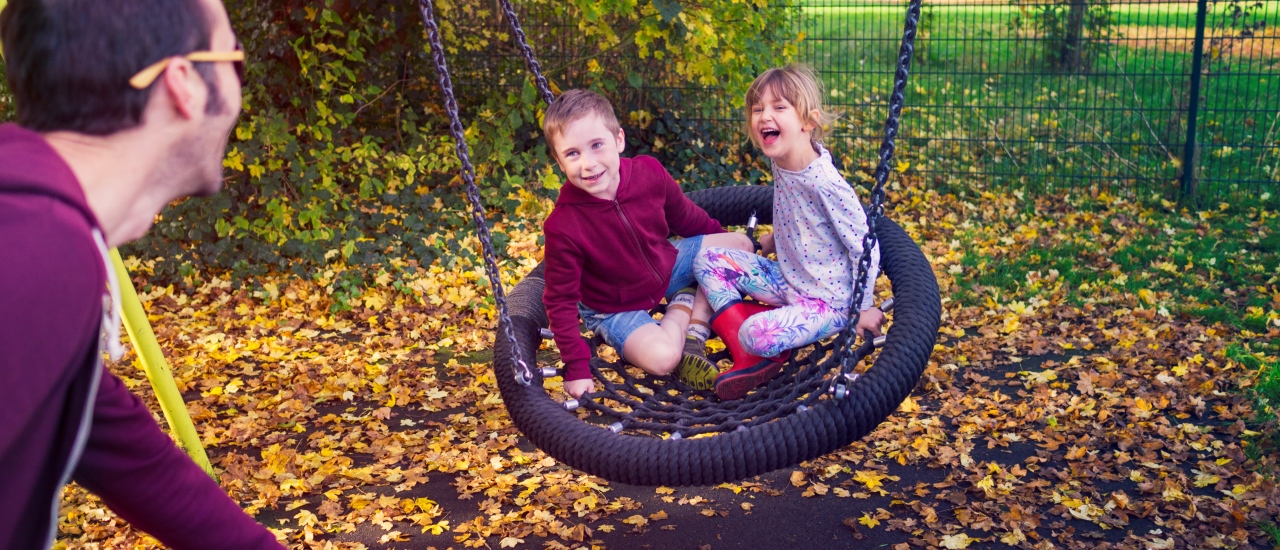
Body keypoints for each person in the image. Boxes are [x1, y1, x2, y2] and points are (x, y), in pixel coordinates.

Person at [0, 0, 284, 548]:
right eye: (235, 61)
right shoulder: (33, 253)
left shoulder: (42, 238)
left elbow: (140, 468)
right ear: (184, 83)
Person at [540, 89, 755, 398]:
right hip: (614, 308)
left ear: (619, 140)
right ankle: (687, 309)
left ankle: (691, 305)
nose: (588, 164)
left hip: (667, 267)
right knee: (664, 358)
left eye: (597, 145)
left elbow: (687, 219)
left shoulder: (648, 174)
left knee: (740, 245)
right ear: (560, 162)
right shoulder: (564, 226)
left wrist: (720, 253)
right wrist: (576, 366)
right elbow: (560, 301)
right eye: (572, 154)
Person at [693, 64, 887, 400]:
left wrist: (863, 307)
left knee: (753, 334)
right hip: (789, 277)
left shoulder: (826, 184)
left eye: (779, 107)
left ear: (807, 122)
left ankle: (754, 343)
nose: (765, 116)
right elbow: (794, 213)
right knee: (709, 261)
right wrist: (773, 240)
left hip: (828, 302)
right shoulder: (781, 158)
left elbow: (865, 248)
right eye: (758, 109)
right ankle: (752, 348)